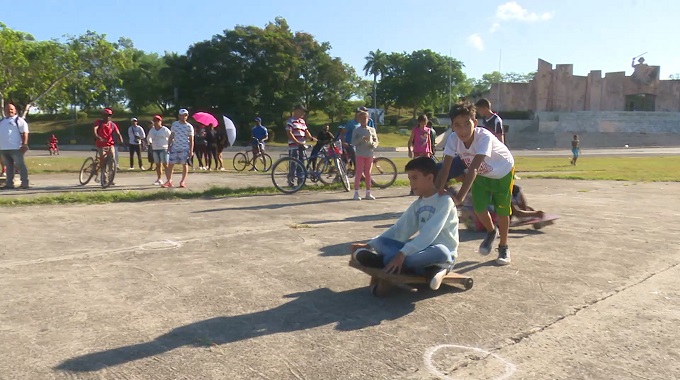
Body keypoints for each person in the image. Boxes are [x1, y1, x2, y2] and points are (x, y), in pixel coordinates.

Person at [350, 156, 458, 291]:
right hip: (418, 253)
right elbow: (399, 229)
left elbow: (430, 232)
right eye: (409, 179)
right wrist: (370, 244)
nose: (411, 183)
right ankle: (409, 266)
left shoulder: (444, 201)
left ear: (430, 178)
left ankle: (384, 262)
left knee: (441, 250)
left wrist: (402, 254)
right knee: (380, 242)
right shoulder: (418, 204)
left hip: (439, 255)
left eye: (415, 178)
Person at [435, 101, 515, 265]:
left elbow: (473, 169)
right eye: (457, 125)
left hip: (503, 172)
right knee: (479, 208)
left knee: (502, 210)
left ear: (475, 123)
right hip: (482, 174)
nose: (462, 130)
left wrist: (460, 198)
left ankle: (503, 247)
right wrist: (437, 191)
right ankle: (491, 232)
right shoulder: (452, 139)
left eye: (467, 124)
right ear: (452, 126)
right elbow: (445, 168)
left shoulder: (483, 137)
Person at [0, 102, 30, 189]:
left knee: (20, 165)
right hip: (4, 148)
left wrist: (24, 144)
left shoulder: (19, 120)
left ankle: (24, 183)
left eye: (11, 109)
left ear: (15, 110)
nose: (9, 111)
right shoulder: (2, 121)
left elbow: (25, 132)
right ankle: (9, 184)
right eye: (7, 110)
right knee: (9, 167)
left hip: (15, 148)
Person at [285, 104, 316, 186]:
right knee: (294, 164)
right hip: (294, 146)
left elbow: (306, 132)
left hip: (302, 145)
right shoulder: (290, 121)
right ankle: (291, 181)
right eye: (302, 111)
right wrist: (297, 142)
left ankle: (301, 181)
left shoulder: (302, 121)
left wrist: (312, 138)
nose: (303, 113)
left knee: (302, 163)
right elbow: (289, 133)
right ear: (296, 111)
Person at [351, 110, 379, 200]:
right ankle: (356, 192)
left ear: (368, 119)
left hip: (369, 154)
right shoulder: (356, 130)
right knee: (359, 173)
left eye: (365, 118)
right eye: (361, 118)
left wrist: (374, 144)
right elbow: (353, 142)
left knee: (368, 173)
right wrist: (361, 139)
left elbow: (376, 141)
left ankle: (368, 192)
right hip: (360, 154)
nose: (363, 120)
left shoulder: (372, 129)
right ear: (359, 119)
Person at [163, 109, 194, 188]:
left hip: (185, 148)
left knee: (185, 164)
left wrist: (191, 151)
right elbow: (172, 135)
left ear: (187, 116)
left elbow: (191, 139)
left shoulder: (189, 126)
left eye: (185, 115)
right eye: (182, 115)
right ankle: (169, 181)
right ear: (179, 116)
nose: (183, 117)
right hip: (175, 147)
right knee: (171, 164)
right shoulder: (175, 124)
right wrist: (169, 146)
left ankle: (183, 181)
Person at [93, 108, 122, 185]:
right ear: (102, 115)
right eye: (106, 115)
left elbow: (118, 133)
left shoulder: (112, 124)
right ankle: (104, 179)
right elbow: (95, 129)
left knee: (112, 162)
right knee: (103, 161)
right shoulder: (98, 122)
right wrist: (97, 136)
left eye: (109, 115)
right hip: (101, 144)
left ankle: (111, 179)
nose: (107, 117)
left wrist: (120, 140)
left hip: (110, 144)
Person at [146, 115, 171, 185]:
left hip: (164, 148)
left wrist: (170, 145)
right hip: (155, 148)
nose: (156, 122)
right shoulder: (152, 130)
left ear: (161, 121)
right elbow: (149, 137)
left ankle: (169, 179)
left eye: (158, 121)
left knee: (166, 165)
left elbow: (170, 137)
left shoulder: (164, 129)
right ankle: (159, 179)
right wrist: (150, 142)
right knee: (158, 164)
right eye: (155, 121)